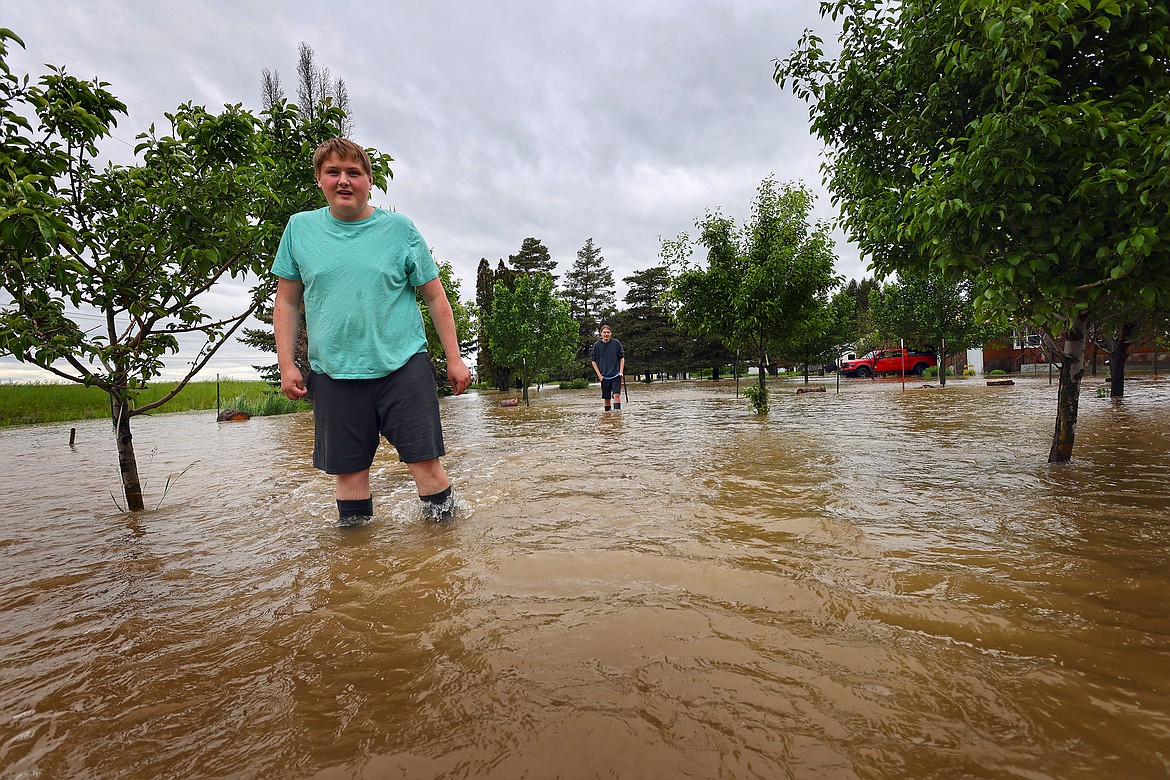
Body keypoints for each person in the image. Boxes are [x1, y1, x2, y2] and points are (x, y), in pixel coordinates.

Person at [271, 137, 471, 525]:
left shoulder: (399, 229)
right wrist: (286, 364)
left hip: (403, 367)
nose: (343, 181)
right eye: (333, 172)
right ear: (319, 180)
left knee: (425, 465)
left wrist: (455, 359)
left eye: (354, 173)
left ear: (369, 180)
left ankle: (445, 551)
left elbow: (436, 298)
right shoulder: (299, 229)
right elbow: (287, 302)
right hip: (334, 373)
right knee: (349, 474)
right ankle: (357, 564)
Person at [590, 324, 625, 412]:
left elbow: (622, 357)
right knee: (606, 397)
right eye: (604, 332)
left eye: (608, 332)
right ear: (601, 333)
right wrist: (599, 375)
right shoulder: (597, 345)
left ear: (611, 333)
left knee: (616, 395)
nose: (606, 334)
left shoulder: (616, 343)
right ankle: (607, 414)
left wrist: (621, 371)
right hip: (604, 376)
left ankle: (617, 416)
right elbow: (593, 361)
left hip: (616, 374)